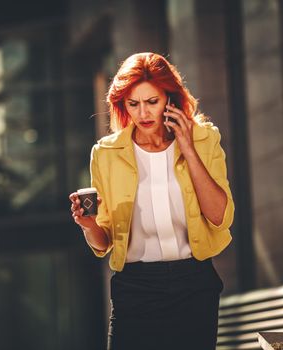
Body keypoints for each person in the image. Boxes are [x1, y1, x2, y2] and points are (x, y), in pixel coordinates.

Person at [69, 52, 234, 350]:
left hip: (193, 284)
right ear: (123, 105)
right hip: (135, 287)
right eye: (133, 104)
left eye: (152, 102)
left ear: (169, 100)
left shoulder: (204, 139)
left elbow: (220, 215)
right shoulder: (105, 153)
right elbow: (103, 242)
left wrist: (187, 147)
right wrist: (87, 224)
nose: (143, 113)